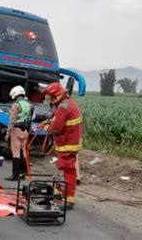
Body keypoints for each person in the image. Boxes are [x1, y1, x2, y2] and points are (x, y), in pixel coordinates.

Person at [43, 82, 82, 210]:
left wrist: (48, 127)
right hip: (71, 143)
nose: (50, 100)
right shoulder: (68, 103)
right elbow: (60, 120)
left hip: (67, 145)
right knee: (62, 170)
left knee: (66, 172)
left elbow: (57, 128)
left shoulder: (62, 107)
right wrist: (50, 121)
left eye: (50, 97)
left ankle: (67, 200)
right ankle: (59, 195)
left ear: (56, 96)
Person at [4, 86, 32, 181]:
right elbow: (32, 117)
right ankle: (23, 173)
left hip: (16, 130)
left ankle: (15, 175)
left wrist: (8, 133)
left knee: (16, 152)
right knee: (23, 152)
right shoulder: (30, 104)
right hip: (25, 131)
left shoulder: (16, 105)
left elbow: (12, 120)